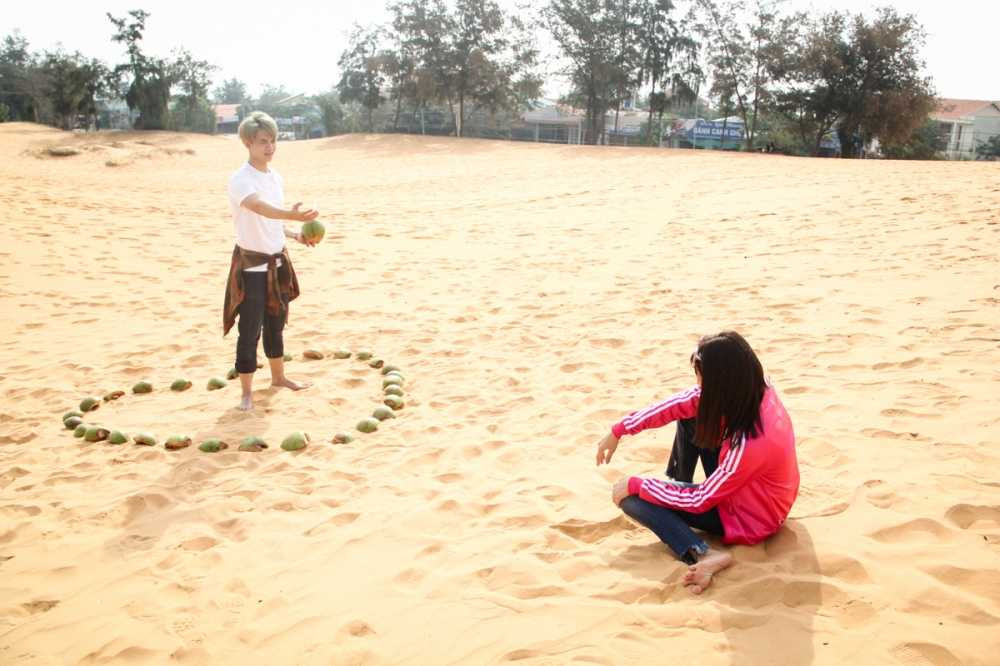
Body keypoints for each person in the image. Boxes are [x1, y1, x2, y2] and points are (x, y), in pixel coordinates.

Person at [595, 331, 798, 594]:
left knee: (630, 498)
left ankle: (703, 554)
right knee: (691, 416)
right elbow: (682, 403)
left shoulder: (750, 443)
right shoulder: (757, 389)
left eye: (701, 377)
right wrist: (620, 429)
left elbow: (700, 499)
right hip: (755, 491)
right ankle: (675, 488)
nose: (698, 384)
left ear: (721, 383)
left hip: (752, 518)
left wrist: (638, 485)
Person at [222, 111, 319, 411]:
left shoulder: (275, 177)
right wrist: (291, 214)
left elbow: (273, 223)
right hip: (252, 266)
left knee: (276, 324)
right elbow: (260, 208)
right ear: (248, 143)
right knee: (250, 328)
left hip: (277, 263)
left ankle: (278, 378)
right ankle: (246, 393)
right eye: (264, 141)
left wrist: (296, 234)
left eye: (273, 141)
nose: (270, 147)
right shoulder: (240, 179)